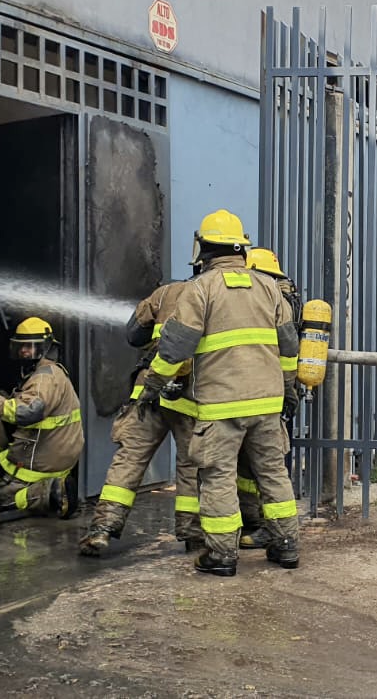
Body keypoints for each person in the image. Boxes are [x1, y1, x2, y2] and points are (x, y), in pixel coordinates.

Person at [142, 210, 302, 576]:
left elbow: (175, 348)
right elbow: (289, 346)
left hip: (221, 406)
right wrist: (288, 388)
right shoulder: (268, 287)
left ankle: (221, 555)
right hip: (267, 402)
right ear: (241, 248)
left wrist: (153, 384)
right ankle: (287, 547)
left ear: (204, 249)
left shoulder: (200, 289)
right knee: (273, 474)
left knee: (217, 477)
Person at [79, 280, 204, 556]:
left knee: (129, 459)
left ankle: (102, 529)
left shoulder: (166, 292)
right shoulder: (217, 293)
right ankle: (193, 536)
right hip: (191, 396)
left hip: (148, 390)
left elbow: (134, 334)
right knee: (190, 466)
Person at [0, 317, 84, 517]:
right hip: (54, 461)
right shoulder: (48, 373)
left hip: (39, 467)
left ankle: (50, 492)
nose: (24, 352)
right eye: (20, 347)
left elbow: (28, 412)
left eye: (30, 347)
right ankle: (54, 486)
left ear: (45, 347)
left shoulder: (44, 378)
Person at [238, 248, 306, 549]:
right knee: (267, 464)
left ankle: (269, 527)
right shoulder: (286, 298)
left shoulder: (261, 298)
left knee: (263, 466)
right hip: (275, 392)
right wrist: (289, 389)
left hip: (257, 391)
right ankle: (268, 527)